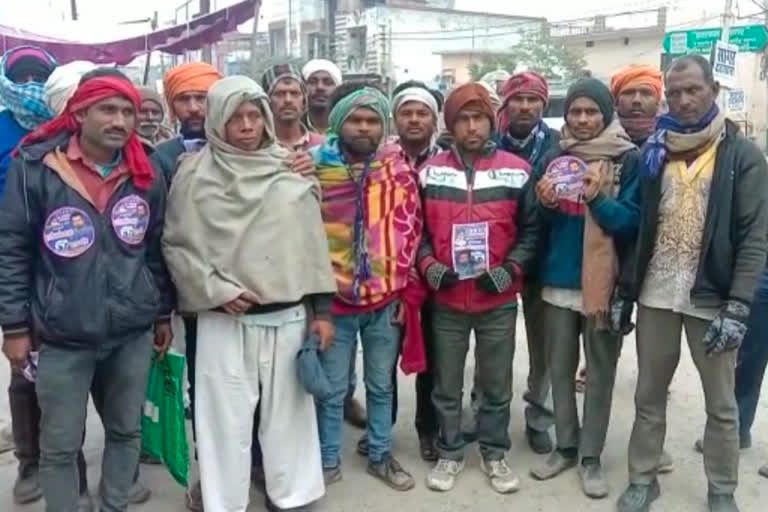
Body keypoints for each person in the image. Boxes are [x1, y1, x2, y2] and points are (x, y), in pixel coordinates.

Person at [0, 73, 173, 512]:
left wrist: (160, 314)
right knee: (58, 445)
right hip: (61, 334)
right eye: (108, 110)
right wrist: (15, 327)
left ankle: (114, 504)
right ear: (79, 114)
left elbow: (154, 248)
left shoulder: (145, 171)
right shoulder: (35, 166)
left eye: (128, 111)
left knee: (126, 431)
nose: (120, 120)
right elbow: (14, 249)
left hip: (130, 331)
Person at [162, 75, 335, 512]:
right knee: (223, 419)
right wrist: (213, 289)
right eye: (235, 116)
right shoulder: (193, 175)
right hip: (225, 317)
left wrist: (322, 311)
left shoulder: (290, 167)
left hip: (289, 315)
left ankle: (292, 493)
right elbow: (177, 245)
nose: (246, 125)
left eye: (254, 115)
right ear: (217, 120)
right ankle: (223, 500)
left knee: (289, 419)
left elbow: (312, 243)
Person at [617, 54, 768, 512]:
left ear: (713, 91)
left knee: (721, 406)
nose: (683, 99)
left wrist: (739, 305)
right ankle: (643, 478)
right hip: (658, 295)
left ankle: (721, 489)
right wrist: (627, 292)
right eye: (675, 91)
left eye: (693, 90)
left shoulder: (741, 155)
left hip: (713, 300)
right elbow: (642, 229)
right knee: (648, 395)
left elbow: (755, 236)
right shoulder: (653, 152)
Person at [418, 82, 538, 494]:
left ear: (492, 120)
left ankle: (493, 452)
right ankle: (450, 453)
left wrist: (510, 269)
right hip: (447, 300)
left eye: (480, 118)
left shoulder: (516, 170)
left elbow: (531, 231)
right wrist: (430, 266)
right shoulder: (430, 170)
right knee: (446, 385)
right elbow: (416, 231)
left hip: (498, 301)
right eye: (463, 119)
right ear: (451, 124)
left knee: (495, 385)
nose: (472, 127)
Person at [530, 78, 641, 500]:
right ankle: (566, 446)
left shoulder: (627, 159)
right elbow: (532, 221)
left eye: (590, 111)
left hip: (604, 287)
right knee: (559, 370)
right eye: (575, 111)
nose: (581, 119)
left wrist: (597, 200)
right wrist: (542, 202)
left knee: (599, 375)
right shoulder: (554, 156)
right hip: (558, 282)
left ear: (605, 113)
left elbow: (631, 222)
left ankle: (591, 457)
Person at [311, 82, 422, 491]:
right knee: (332, 389)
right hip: (332, 304)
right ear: (339, 123)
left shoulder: (399, 169)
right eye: (355, 120)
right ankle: (325, 460)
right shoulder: (312, 167)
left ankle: (379, 454)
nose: (363, 127)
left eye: (372, 120)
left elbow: (412, 231)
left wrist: (406, 292)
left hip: (385, 301)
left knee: (381, 385)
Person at [0, 44, 64, 507]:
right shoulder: (2, 126)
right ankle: (30, 460)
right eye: (19, 76)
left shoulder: (67, 126)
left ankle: (68, 456)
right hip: (18, 261)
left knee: (74, 364)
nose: (29, 85)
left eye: (38, 76)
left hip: (71, 262)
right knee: (26, 367)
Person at [493, 71, 560, 455]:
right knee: (491, 341)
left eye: (533, 99)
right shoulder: (486, 141)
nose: (524, 106)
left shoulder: (559, 146)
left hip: (542, 258)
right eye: (517, 99)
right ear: (505, 104)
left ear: (543, 105)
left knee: (543, 344)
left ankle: (539, 416)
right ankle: (484, 407)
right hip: (494, 260)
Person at [388, 81, 443, 463]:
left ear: (434, 119)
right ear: (395, 118)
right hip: (389, 278)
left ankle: (430, 429)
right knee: (382, 360)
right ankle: (381, 430)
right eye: (406, 112)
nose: (414, 119)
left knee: (435, 358)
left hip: (437, 275)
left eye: (421, 112)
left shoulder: (447, 162)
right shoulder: (381, 160)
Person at [262, 63, 324, 150]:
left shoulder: (322, 146)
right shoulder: (257, 147)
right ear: (268, 101)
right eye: (280, 94)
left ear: (304, 100)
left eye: (295, 93)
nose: (288, 100)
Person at [610, 65, 664, 147]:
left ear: (657, 102)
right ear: (616, 102)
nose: (636, 100)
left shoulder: (671, 139)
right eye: (628, 93)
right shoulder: (600, 139)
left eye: (646, 93)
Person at [301, 59, 342, 134]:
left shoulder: (345, 126)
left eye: (328, 83)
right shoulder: (293, 126)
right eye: (312, 82)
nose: (320, 87)